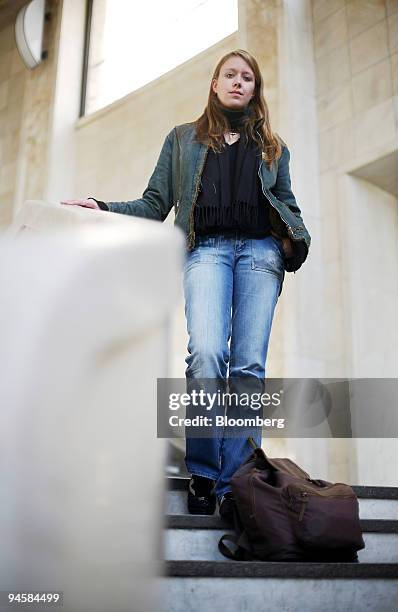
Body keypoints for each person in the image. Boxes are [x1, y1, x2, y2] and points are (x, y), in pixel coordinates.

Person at [61, 49, 311, 523]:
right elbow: (155, 203)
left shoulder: (275, 148)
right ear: (214, 84)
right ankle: (201, 469)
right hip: (207, 251)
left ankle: (238, 480)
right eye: (230, 75)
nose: (239, 83)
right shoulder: (182, 140)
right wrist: (100, 206)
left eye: (248, 78)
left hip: (260, 254)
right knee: (207, 354)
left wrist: (289, 242)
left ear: (255, 90)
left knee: (249, 368)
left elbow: (287, 204)